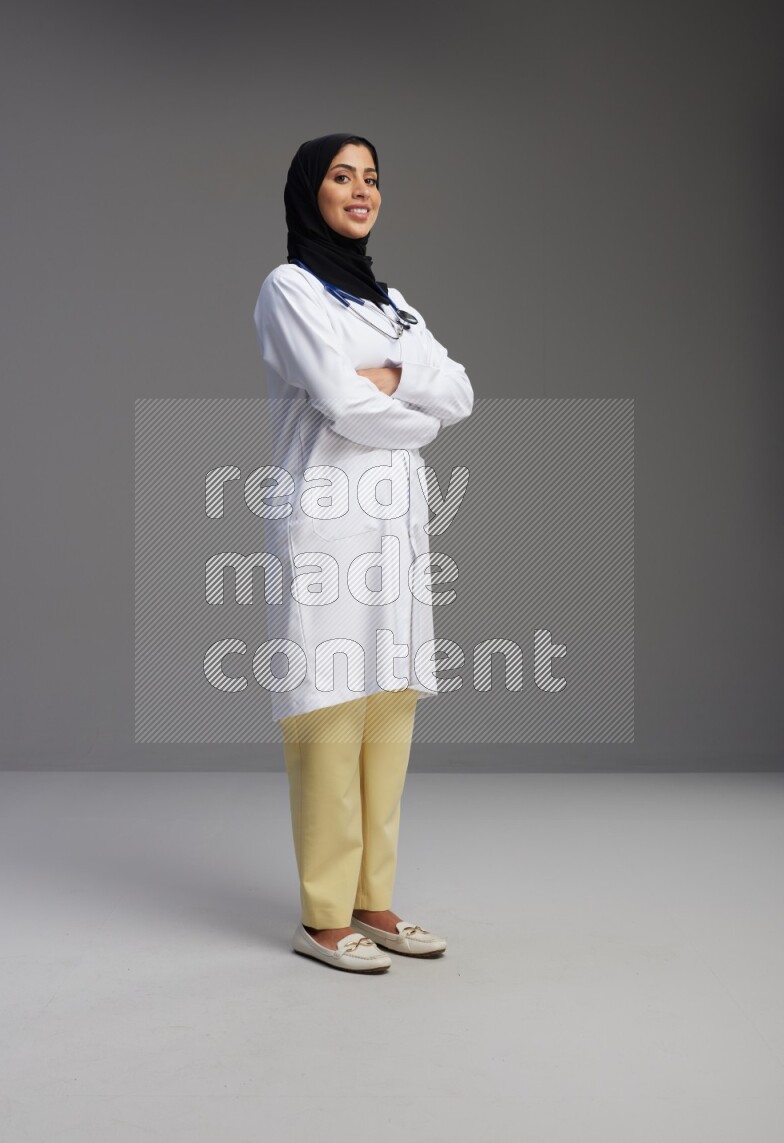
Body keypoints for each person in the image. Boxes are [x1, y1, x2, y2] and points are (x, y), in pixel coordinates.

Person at [253, 133, 474, 973]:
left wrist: (398, 379)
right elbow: (347, 403)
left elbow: (462, 387)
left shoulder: (391, 301)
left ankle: (374, 900)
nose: (360, 190)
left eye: (372, 178)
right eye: (342, 177)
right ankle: (321, 914)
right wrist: (411, 400)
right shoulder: (290, 288)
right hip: (326, 526)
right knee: (327, 709)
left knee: (391, 707)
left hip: (395, 527)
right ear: (310, 191)